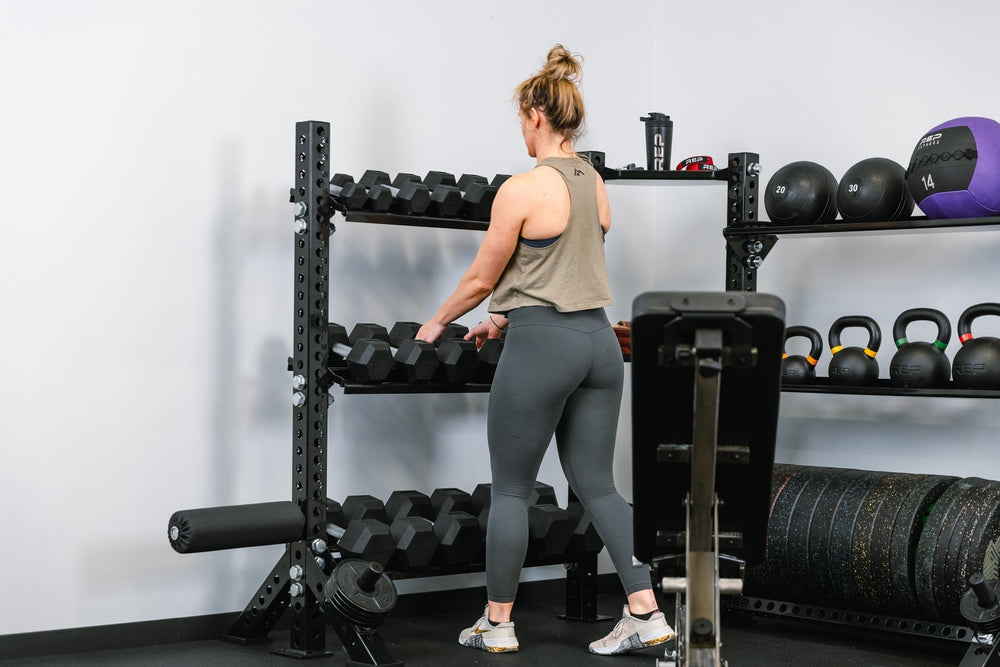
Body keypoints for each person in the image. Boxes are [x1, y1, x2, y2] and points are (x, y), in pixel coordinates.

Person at [415, 44, 675, 656]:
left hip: (543, 348)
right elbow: (564, 263)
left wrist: (438, 321)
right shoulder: (595, 185)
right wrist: (502, 316)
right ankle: (646, 612)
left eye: (521, 119)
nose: (521, 129)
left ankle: (497, 623)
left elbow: (481, 277)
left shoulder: (523, 188)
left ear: (535, 115)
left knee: (511, 490)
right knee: (599, 486)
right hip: (598, 346)